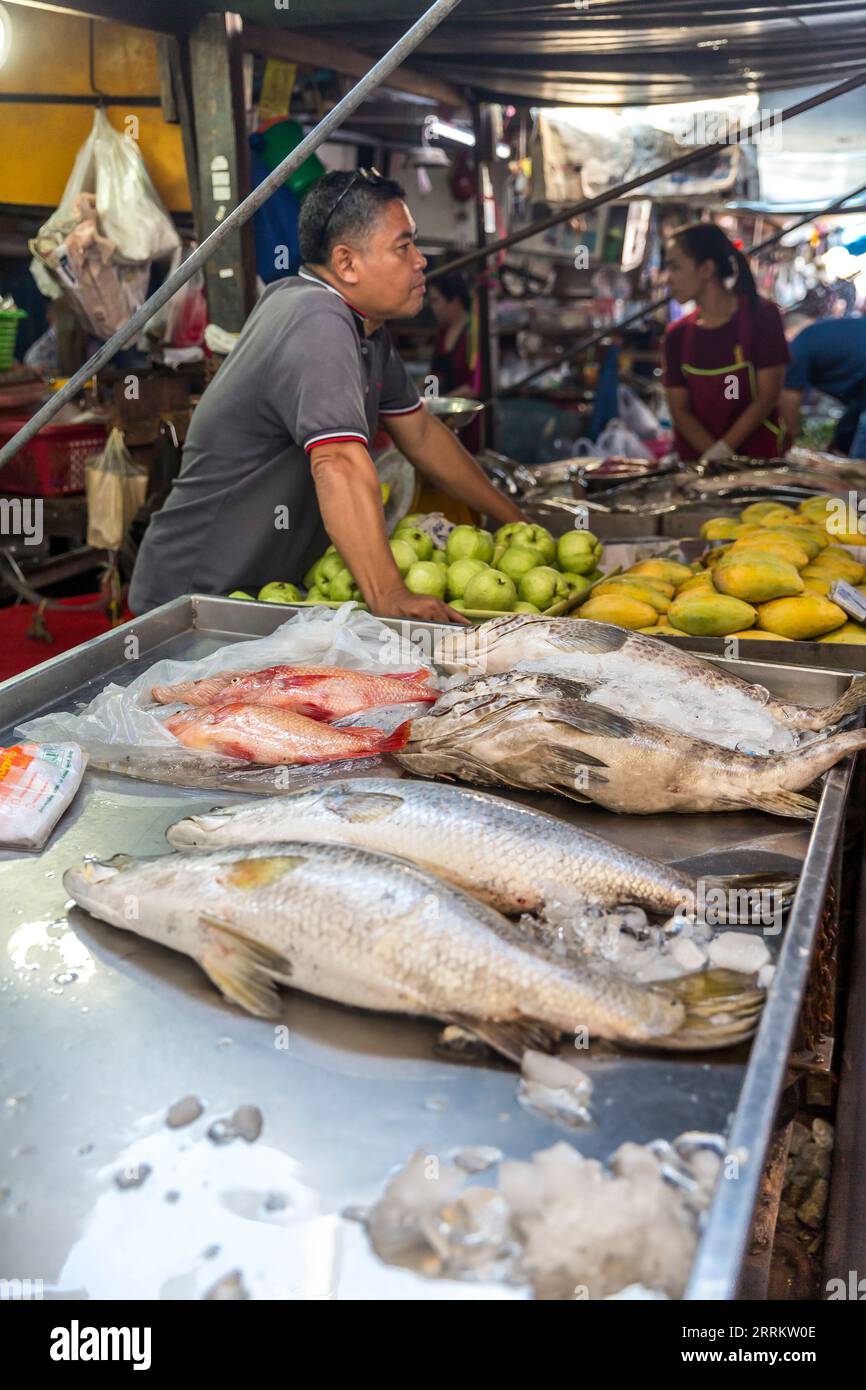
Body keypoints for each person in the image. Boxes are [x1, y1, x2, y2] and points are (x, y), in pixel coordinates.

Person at [128, 169, 525, 621]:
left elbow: (421, 434)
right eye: (403, 246)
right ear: (347, 263)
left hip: (264, 598)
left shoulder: (366, 330)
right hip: (192, 602)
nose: (421, 261)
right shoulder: (315, 317)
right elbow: (336, 460)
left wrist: (515, 521)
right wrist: (389, 594)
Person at [662, 223, 789, 462]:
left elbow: (768, 396)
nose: (667, 278)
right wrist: (712, 456)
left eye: (675, 267)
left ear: (707, 269)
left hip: (756, 465)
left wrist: (725, 452)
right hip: (696, 466)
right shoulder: (676, 335)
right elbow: (679, 410)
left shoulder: (762, 317)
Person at [779, 312, 866, 455]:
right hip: (861, 396)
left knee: (857, 471)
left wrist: (788, 440)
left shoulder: (799, 344)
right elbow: (854, 412)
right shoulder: (829, 327)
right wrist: (839, 444)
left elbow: (790, 396)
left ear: (787, 334)